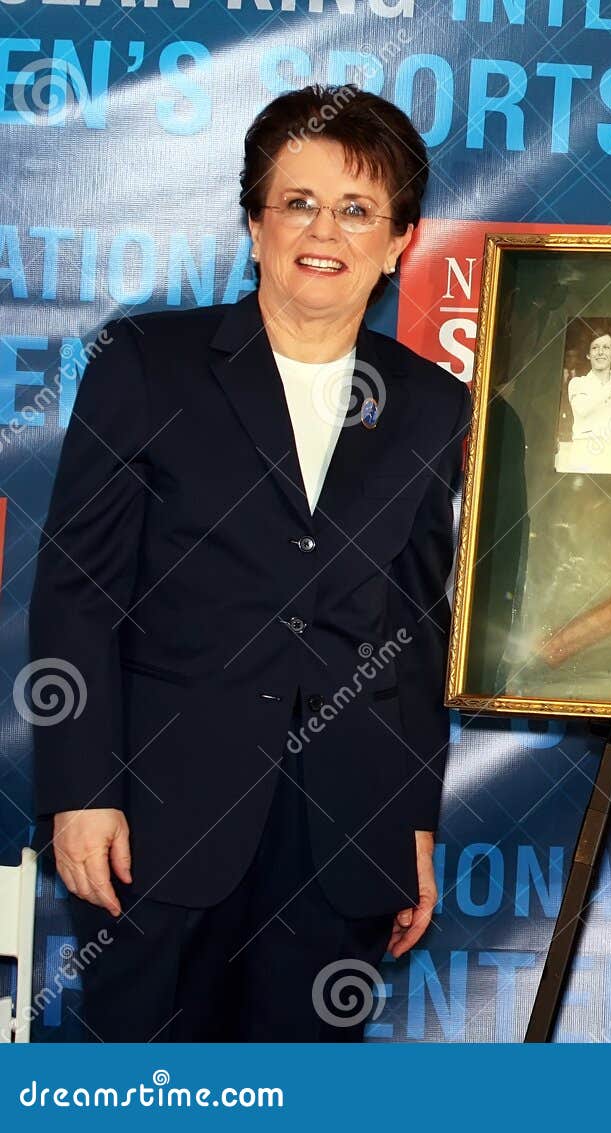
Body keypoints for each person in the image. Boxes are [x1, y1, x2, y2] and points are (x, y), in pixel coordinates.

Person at [29, 85, 473, 1041]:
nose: (326, 231)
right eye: (299, 202)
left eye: (358, 209)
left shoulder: (432, 407)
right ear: (255, 222)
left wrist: (410, 823)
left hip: (343, 831)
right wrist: (79, 792)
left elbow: (415, 630)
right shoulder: (149, 362)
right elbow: (77, 593)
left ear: (399, 240)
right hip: (156, 821)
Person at [558, 331, 611, 475]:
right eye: (595, 348)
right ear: (588, 354)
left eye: (606, 347)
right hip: (584, 457)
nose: (600, 352)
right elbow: (582, 409)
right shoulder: (577, 383)